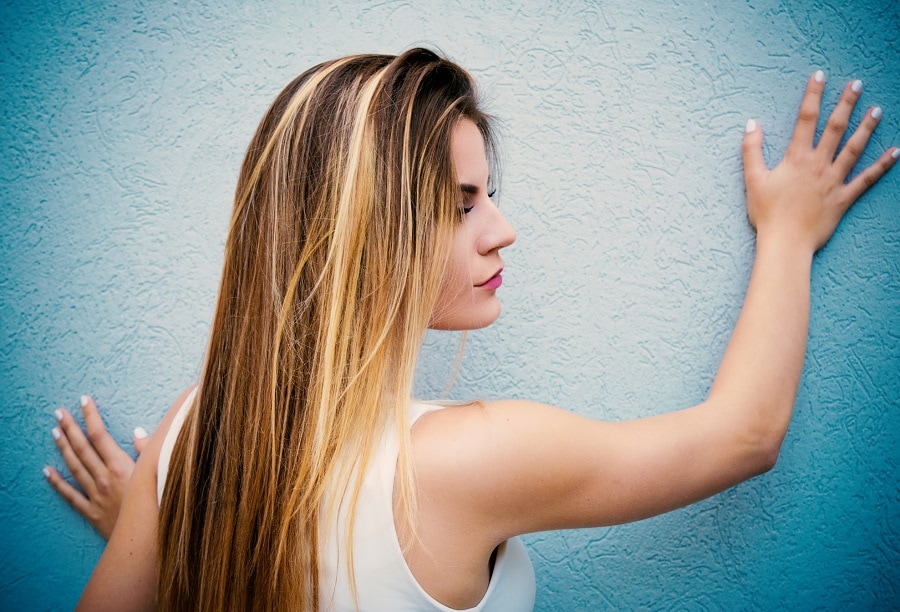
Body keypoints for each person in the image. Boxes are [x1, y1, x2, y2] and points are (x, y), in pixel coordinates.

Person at [46, 48, 895, 610]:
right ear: (357, 234)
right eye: (460, 207)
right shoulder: (466, 457)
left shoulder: (191, 432)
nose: (501, 229)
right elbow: (742, 436)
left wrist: (165, 533)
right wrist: (787, 232)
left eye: (487, 194)